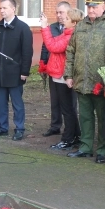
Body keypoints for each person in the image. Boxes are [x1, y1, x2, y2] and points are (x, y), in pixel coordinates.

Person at [65, 0, 105, 163]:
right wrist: (68, 74)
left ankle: (103, 150)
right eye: (89, 6)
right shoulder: (81, 26)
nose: (91, 10)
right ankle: (85, 147)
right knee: (85, 116)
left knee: (103, 117)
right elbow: (71, 51)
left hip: (101, 83)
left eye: (95, 6)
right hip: (81, 80)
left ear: (103, 6)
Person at [0, 0, 33, 141]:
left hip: (15, 72)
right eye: (0, 8)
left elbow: (27, 52)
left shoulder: (23, 28)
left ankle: (19, 128)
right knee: (1, 102)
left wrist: (25, 71)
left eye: (4, 8)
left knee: (17, 103)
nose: (2, 11)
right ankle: (3, 127)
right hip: (0, 72)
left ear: (13, 9)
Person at [40, 8, 83, 149]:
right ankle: (76, 135)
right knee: (68, 107)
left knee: (67, 109)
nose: (64, 19)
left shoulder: (70, 36)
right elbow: (53, 42)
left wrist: (45, 27)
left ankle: (68, 138)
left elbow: (52, 46)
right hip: (60, 75)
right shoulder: (67, 33)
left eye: (67, 18)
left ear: (75, 23)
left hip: (63, 76)